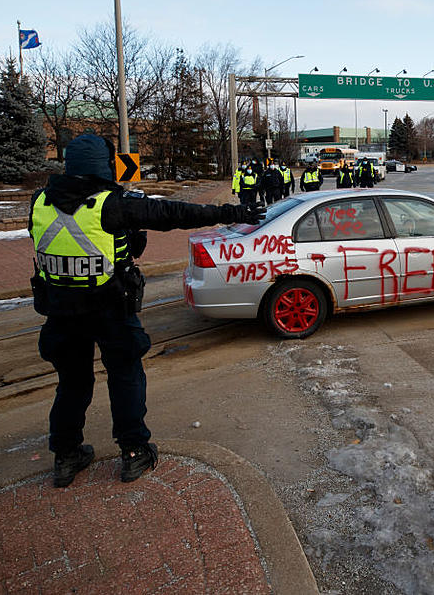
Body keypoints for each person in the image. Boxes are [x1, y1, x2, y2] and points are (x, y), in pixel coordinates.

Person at [29, 134, 264, 488]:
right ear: (103, 165)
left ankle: (65, 456)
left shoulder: (39, 201)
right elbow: (176, 214)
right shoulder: (113, 204)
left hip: (61, 313)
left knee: (72, 385)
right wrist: (232, 212)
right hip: (110, 312)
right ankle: (134, 452)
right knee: (125, 379)